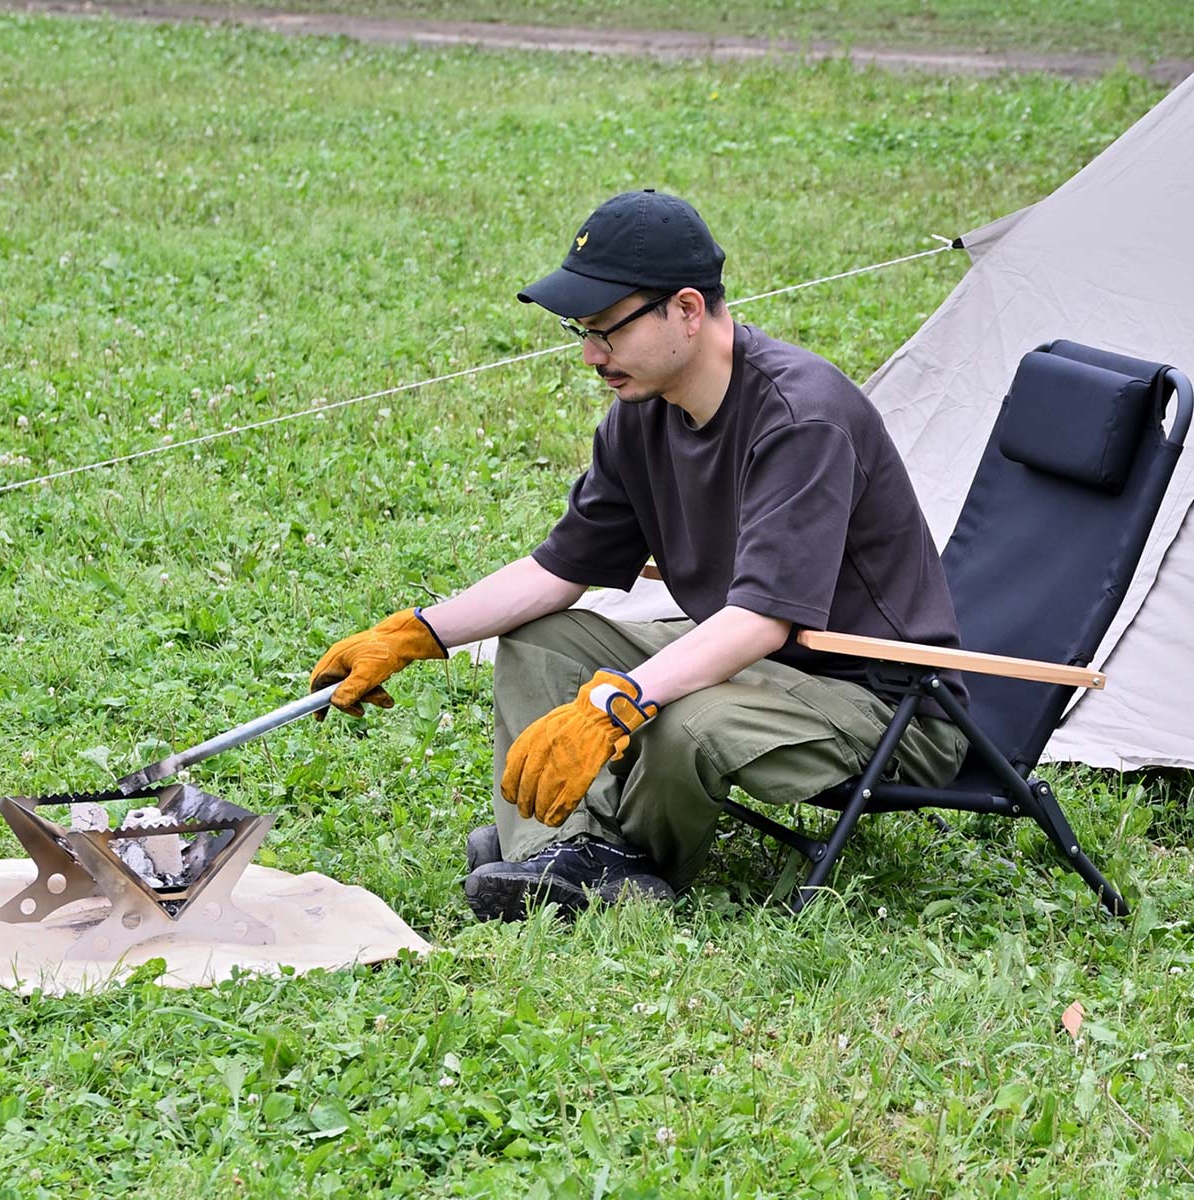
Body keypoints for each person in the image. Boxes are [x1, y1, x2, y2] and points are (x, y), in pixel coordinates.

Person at [310, 190, 970, 922]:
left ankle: (609, 869)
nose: (592, 356)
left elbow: (759, 622)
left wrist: (612, 703)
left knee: (684, 717)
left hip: (882, 698)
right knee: (541, 639)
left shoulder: (799, 417)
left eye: (607, 332)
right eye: (582, 332)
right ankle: (557, 853)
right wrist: (416, 634)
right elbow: (557, 571)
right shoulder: (640, 415)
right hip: (761, 666)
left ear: (686, 310)